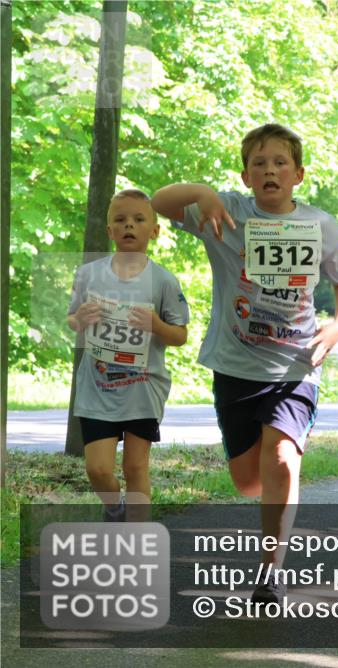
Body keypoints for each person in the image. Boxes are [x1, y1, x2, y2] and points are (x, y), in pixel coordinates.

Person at [151, 124, 338, 603]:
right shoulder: (225, 212)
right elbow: (159, 200)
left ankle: (271, 568)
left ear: (298, 174)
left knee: (283, 459)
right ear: (246, 176)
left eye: (280, 162)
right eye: (259, 163)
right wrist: (202, 193)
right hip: (235, 365)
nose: (270, 170)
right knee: (249, 481)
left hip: (296, 365)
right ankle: (273, 502)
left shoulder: (320, 224)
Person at [67, 189, 189, 522]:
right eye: (120, 220)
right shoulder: (89, 275)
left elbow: (180, 335)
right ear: (109, 231)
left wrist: (156, 325)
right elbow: (72, 319)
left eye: (138, 219)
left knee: (135, 467)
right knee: (97, 469)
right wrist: (81, 320)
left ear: (155, 230)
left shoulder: (163, 280)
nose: (129, 226)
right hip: (97, 386)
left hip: (142, 387)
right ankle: (114, 509)